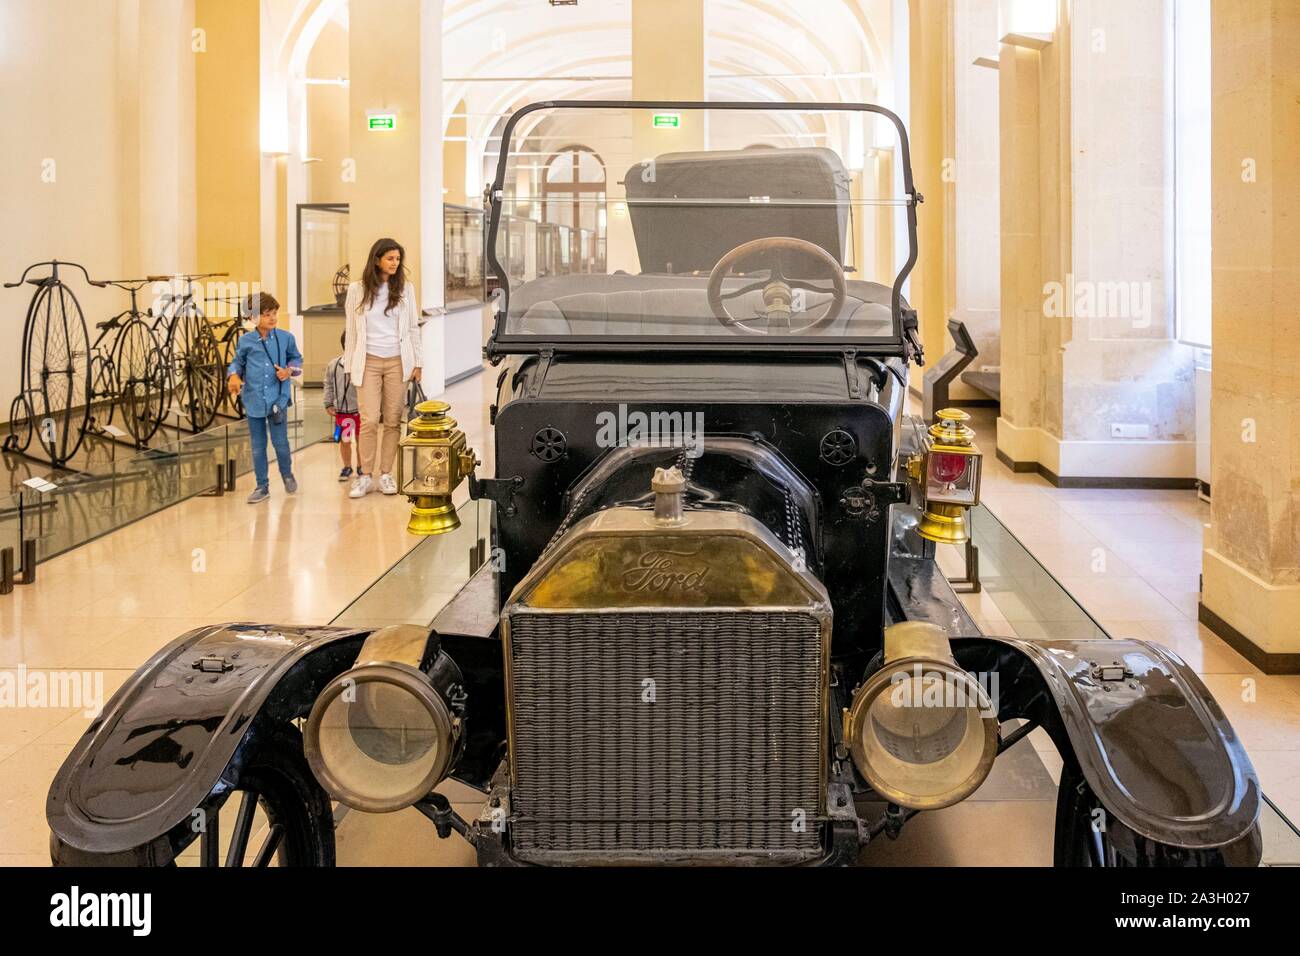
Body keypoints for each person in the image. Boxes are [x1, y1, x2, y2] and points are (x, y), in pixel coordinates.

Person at [343, 237, 423, 498]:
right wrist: (349, 365)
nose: (394, 263)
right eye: (390, 258)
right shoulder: (357, 289)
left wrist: (418, 362)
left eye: (398, 259)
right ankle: (365, 475)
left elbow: (412, 327)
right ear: (377, 259)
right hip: (368, 361)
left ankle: (386, 473)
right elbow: (352, 331)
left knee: (391, 421)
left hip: (398, 361)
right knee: (368, 421)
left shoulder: (405, 289)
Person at [226, 292, 302, 503]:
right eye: (267, 314)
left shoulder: (286, 338)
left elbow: (297, 360)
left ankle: (287, 474)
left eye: (274, 313)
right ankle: (262, 486)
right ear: (252, 317)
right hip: (254, 401)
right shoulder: (246, 341)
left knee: (280, 443)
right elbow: (237, 363)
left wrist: (289, 371)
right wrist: (233, 375)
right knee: (258, 446)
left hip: (278, 400)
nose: (272, 317)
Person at [323, 331, 361, 482]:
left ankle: (361, 466)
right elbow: (328, 385)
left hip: (359, 411)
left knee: (361, 441)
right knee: (344, 441)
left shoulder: (363, 366)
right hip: (343, 413)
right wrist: (328, 402)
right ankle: (347, 466)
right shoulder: (333, 365)